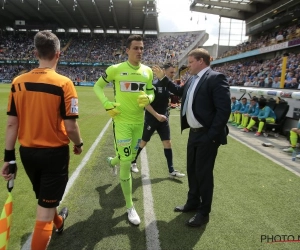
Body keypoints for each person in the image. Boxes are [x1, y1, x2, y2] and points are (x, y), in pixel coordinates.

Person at [1, 31, 83, 250]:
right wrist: (79, 144)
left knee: (46, 198)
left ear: (36, 53)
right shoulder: (64, 84)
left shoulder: (18, 83)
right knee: (44, 212)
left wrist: (9, 158)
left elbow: (11, 124)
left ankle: (59, 221)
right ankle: (52, 222)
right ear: (58, 54)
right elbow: (71, 126)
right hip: (54, 154)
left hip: (27, 154)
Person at [152, 48, 231, 227]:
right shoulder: (193, 79)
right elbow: (179, 91)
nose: (188, 66)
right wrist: (164, 79)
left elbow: (224, 110)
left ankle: (204, 212)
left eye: (190, 62)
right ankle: (193, 202)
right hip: (194, 134)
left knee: (203, 173)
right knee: (192, 170)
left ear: (201, 61)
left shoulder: (215, 78)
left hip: (207, 135)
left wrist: (211, 135)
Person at [93, 35, 154, 226]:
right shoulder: (116, 69)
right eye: (135, 48)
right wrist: (106, 104)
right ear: (127, 50)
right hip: (121, 123)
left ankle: (112, 161)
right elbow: (98, 86)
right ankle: (130, 207)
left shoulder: (147, 72)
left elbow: (151, 91)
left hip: (139, 122)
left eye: (142, 48)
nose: (139, 51)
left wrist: (149, 99)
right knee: (127, 161)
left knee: (128, 156)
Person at [131, 63, 185, 177]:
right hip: (152, 119)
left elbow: (176, 94)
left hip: (163, 119)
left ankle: (171, 171)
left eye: (174, 72)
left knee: (167, 143)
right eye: (171, 72)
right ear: (163, 71)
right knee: (143, 142)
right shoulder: (153, 85)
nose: (173, 74)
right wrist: (157, 116)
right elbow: (146, 104)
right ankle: (133, 161)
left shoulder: (169, 85)